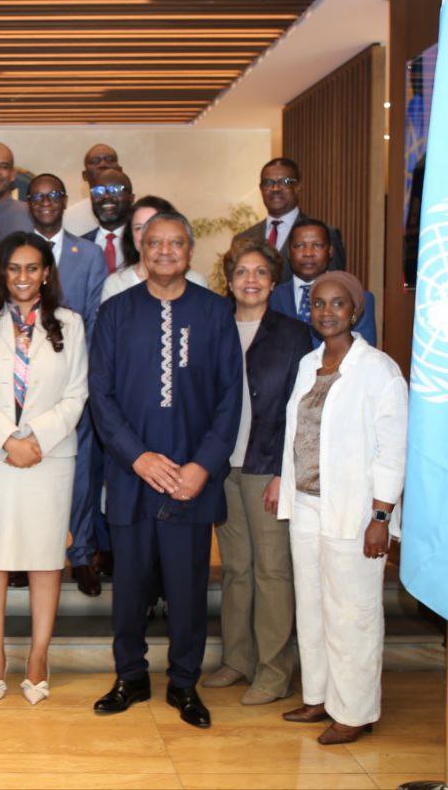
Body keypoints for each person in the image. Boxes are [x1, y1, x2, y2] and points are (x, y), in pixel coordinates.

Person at [89, 212, 242, 729]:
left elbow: (230, 398)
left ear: (190, 251)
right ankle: (130, 676)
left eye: (176, 243)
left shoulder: (215, 312)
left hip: (190, 479)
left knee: (187, 589)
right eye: (155, 243)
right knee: (130, 587)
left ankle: (184, 682)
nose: (165, 251)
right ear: (142, 249)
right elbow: (101, 396)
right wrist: (138, 456)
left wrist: (203, 465)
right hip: (131, 474)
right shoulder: (114, 312)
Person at [277, 271, 407, 745]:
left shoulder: (379, 370)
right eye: (318, 304)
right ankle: (319, 696)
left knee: (353, 612)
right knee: (312, 606)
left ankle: (354, 711)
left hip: (355, 510)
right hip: (307, 503)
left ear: (355, 311)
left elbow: (393, 450)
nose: (327, 312)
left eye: (337, 303)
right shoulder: (308, 363)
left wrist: (381, 516)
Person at [0, 232, 89, 706]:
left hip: (48, 456)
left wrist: (36, 440)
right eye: (13, 268)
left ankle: (38, 654)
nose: (22, 277)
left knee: (44, 557)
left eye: (32, 268)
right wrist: (7, 441)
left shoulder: (70, 324)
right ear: (2, 272)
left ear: (46, 273)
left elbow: (77, 393)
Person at [202, 239, 312, 705]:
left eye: (261, 272)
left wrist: (285, 472)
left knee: (272, 571)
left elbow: (300, 410)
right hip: (221, 467)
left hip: (267, 467)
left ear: (274, 281)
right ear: (229, 280)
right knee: (236, 570)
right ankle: (238, 660)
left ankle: (273, 671)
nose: (251, 280)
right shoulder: (213, 327)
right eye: (242, 272)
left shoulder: (293, 334)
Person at [26, 173, 110, 597]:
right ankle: (28, 555)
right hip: (24, 385)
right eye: (38, 196)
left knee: (80, 473)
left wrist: (79, 379)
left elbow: (94, 319)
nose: (46, 202)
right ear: (28, 203)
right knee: (29, 470)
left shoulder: (89, 254)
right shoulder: (16, 251)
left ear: (64, 201)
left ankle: (80, 555)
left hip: (75, 384)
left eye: (53, 195)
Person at [230, 158, 346, 281]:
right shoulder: (242, 239)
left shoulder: (327, 234)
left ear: (297, 187)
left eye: (285, 182)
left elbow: (335, 285)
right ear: (261, 189)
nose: (275, 188)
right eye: (268, 182)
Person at [268, 220, 377, 347]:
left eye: (317, 245)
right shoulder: (271, 297)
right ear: (288, 252)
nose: (308, 253)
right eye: (299, 246)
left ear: (330, 251)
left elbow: (363, 349)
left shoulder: (358, 299)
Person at [102, 196, 209, 302]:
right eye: (139, 228)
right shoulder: (116, 284)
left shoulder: (196, 281)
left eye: (154, 226)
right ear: (131, 235)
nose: (146, 235)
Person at [80, 168, 134, 275]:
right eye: (98, 191)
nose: (106, 196)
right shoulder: (79, 246)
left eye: (115, 190)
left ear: (131, 198)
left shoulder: (142, 242)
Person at [64, 143, 122, 237]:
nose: (103, 164)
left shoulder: (139, 211)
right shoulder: (68, 218)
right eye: (95, 161)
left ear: (120, 170)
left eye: (109, 159)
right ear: (85, 175)